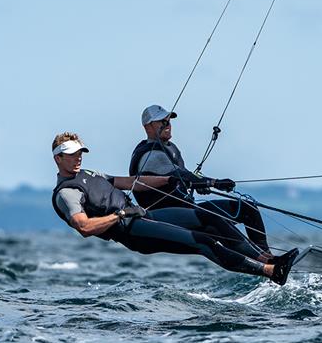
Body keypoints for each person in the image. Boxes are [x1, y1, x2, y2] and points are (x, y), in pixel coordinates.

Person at [51, 132, 298, 284]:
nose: (78, 157)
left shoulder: (91, 173)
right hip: (132, 231)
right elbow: (83, 226)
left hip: (143, 216)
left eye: (80, 152)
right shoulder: (67, 192)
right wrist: (121, 215)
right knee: (202, 241)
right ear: (58, 158)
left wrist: (171, 180)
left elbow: (131, 182)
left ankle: (266, 257)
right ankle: (270, 271)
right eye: (72, 154)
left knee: (205, 217)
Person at [128, 104, 271, 252]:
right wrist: (213, 183)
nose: (168, 125)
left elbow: (184, 174)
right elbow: (180, 176)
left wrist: (200, 184)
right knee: (216, 226)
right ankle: (264, 263)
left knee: (248, 209)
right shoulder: (151, 155)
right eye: (162, 122)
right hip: (170, 218)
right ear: (148, 127)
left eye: (168, 121)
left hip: (189, 209)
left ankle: (266, 258)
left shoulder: (169, 147)